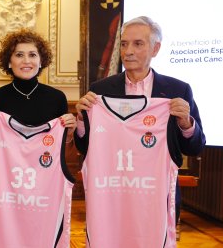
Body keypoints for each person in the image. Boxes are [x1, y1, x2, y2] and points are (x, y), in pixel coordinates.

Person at [75, 16, 206, 247]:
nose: (128, 51)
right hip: (111, 199)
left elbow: (195, 147)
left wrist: (186, 123)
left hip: (155, 200)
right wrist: (82, 121)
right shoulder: (100, 90)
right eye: (124, 44)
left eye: (138, 44)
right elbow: (85, 147)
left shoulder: (177, 90)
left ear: (155, 48)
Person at [0, 29, 78, 247]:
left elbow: (64, 155)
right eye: (19, 55)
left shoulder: (56, 99)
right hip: (8, 194)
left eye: (32, 55)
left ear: (41, 61)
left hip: (44, 193)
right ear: (9, 61)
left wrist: (69, 133)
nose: (26, 61)